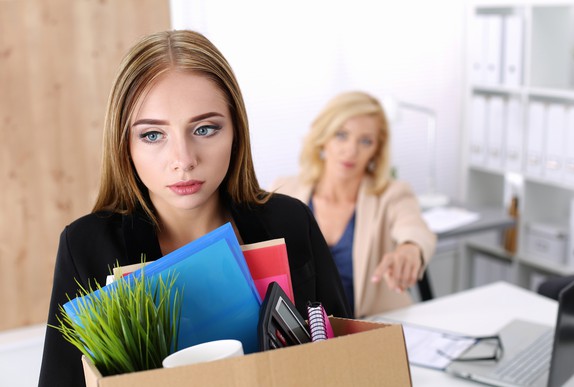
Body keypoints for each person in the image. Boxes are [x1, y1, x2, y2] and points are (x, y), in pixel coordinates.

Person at [38, 30, 351, 387]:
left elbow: (350, 355)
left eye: (204, 129)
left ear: (236, 130)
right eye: (153, 135)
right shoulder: (85, 246)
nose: (183, 161)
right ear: (124, 144)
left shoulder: (291, 220)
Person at [271, 91, 437, 319]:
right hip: (304, 336)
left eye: (365, 141)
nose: (351, 150)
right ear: (323, 137)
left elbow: (416, 229)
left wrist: (410, 249)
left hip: (370, 330)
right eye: (342, 135)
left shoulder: (391, 194)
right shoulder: (285, 190)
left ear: (376, 151)